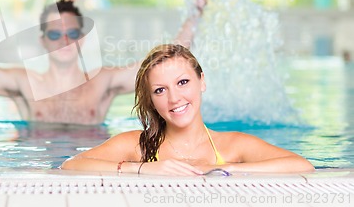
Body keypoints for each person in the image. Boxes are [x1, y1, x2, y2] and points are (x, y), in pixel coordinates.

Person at [0, 0, 206, 125]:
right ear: (43, 41)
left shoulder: (103, 81)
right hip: (35, 170)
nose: (64, 41)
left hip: (93, 172)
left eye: (71, 34)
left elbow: (168, 61)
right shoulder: (24, 83)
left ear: (82, 40)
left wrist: (195, 14)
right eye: (55, 35)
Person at [61, 44, 314, 174]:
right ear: (151, 99)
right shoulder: (137, 146)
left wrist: (224, 170)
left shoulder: (231, 147)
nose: (174, 98)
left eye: (183, 82)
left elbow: (301, 166)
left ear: (202, 81)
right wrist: (143, 168)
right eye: (160, 90)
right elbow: (71, 165)